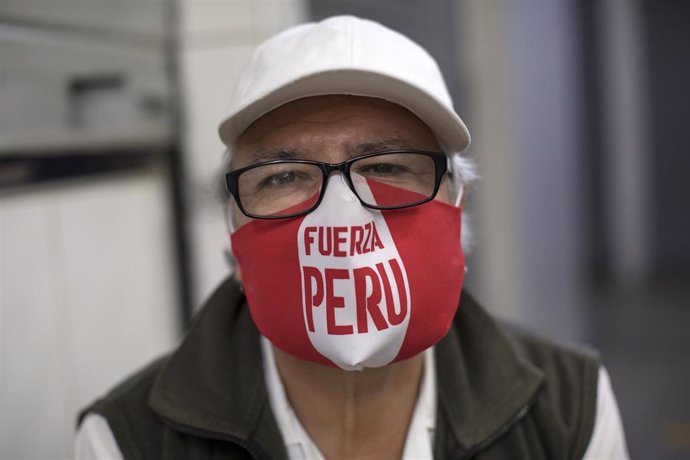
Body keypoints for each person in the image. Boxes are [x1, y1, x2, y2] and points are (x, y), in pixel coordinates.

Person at [75, 15, 629, 459]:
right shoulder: (125, 441)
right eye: (284, 177)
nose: (345, 213)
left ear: (457, 208)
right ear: (234, 232)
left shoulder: (569, 407)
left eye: (387, 167)